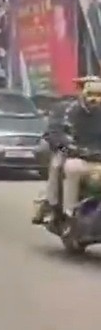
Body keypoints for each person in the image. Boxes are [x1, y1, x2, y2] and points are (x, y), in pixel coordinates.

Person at [34, 77, 101, 224]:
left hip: (98, 158)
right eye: (90, 93)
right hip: (76, 154)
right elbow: (58, 132)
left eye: (99, 94)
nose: (94, 99)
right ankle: (63, 210)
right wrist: (69, 146)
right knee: (62, 165)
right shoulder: (68, 110)